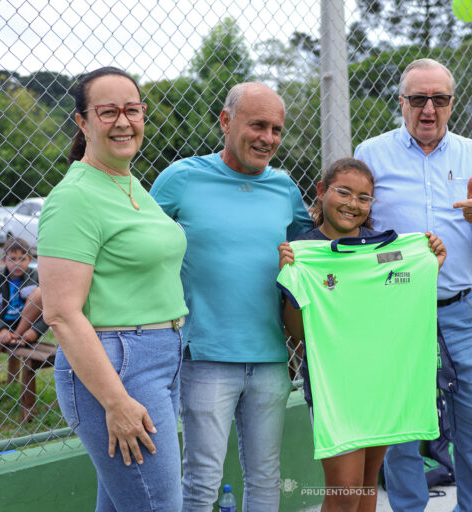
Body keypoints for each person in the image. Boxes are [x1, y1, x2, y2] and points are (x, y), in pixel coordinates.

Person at [354, 58, 472, 512]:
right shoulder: (371, 153)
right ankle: (409, 508)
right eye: (418, 99)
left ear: (451, 103)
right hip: (394, 309)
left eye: (439, 99)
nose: (429, 109)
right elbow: (354, 221)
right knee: (403, 427)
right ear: (401, 102)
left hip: (456, 310)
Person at [150, 82, 313, 512]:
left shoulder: (285, 188)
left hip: (272, 358)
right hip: (205, 357)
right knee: (201, 481)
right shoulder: (181, 178)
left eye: (276, 129)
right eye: (257, 125)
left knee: (266, 477)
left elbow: (315, 250)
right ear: (226, 121)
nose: (268, 138)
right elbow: (139, 245)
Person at [37, 67, 189, 512]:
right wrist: (116, 401)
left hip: (159, 357)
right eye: (108, 112)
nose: (123, 122)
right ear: (83, 122)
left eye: (132, 110)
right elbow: (61, 313)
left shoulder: (128, 183)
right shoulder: (75, 197)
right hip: (119, 366)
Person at [277, 157, 446, 512]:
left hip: (382, 381)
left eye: (364, 197)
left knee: (368, 481)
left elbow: (403, 294)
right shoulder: (305, 251)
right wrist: (291, 280)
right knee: (345, 490)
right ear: (321, 192)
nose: (353, 204)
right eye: (344, 192)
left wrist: (429, 262)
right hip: (335, 387)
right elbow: (298, 332)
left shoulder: (387, 249)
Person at [0, 236, 46, 431]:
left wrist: (34, 331)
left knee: (41, 294)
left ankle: (19, 335)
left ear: (30, 260)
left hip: (25, 329)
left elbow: (49, 310)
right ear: (4, 260)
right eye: (12, 259)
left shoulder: (36, 277)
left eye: (22, 258)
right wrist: (1, 330)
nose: (17, 263)